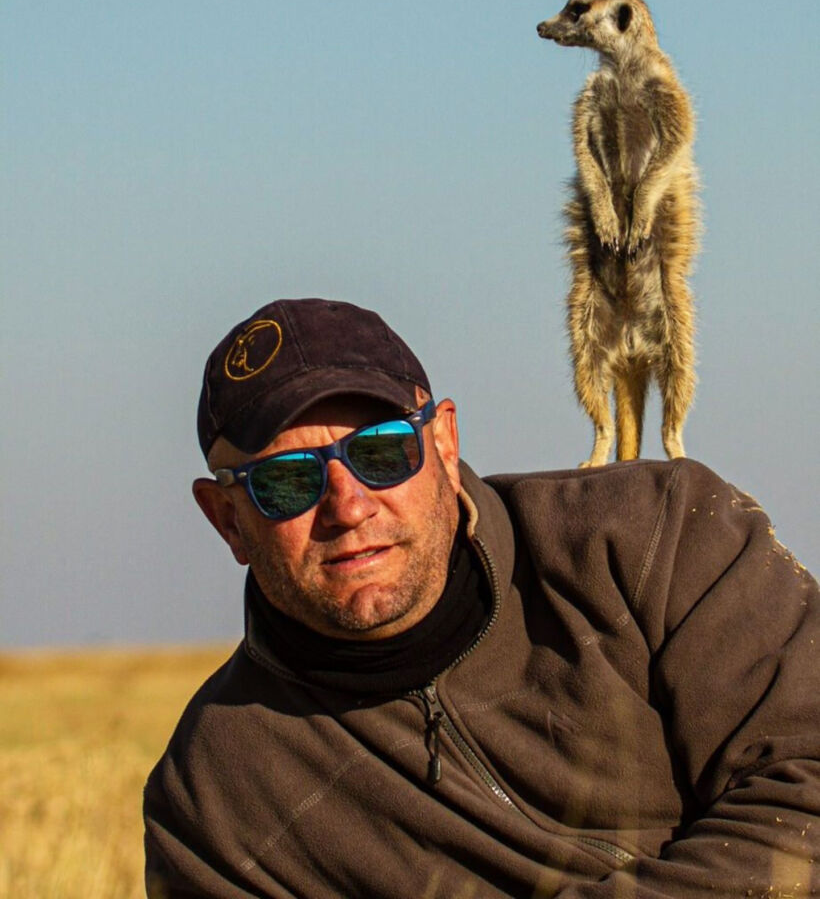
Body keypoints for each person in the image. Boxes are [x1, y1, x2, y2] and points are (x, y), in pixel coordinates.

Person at [143, 297, 820, 899]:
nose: (346, 506)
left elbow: (807, 789)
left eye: (381, 452)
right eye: (288, 482)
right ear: (227, 518)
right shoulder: (213, 804)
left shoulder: (660, 534)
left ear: (442, 441)